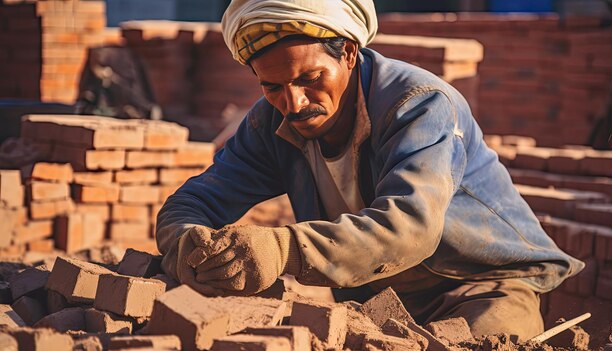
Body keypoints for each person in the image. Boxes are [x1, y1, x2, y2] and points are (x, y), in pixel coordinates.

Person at [156, 0, 583, 341]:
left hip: (477, 288)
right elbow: (193, 201)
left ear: (348, 51)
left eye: (310, 78)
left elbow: (410, 228)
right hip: (376, 302)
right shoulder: (271, 123)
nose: (295, 102)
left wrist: (282, 250)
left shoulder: (420, 104)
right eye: (272, 87)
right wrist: (186, 245)